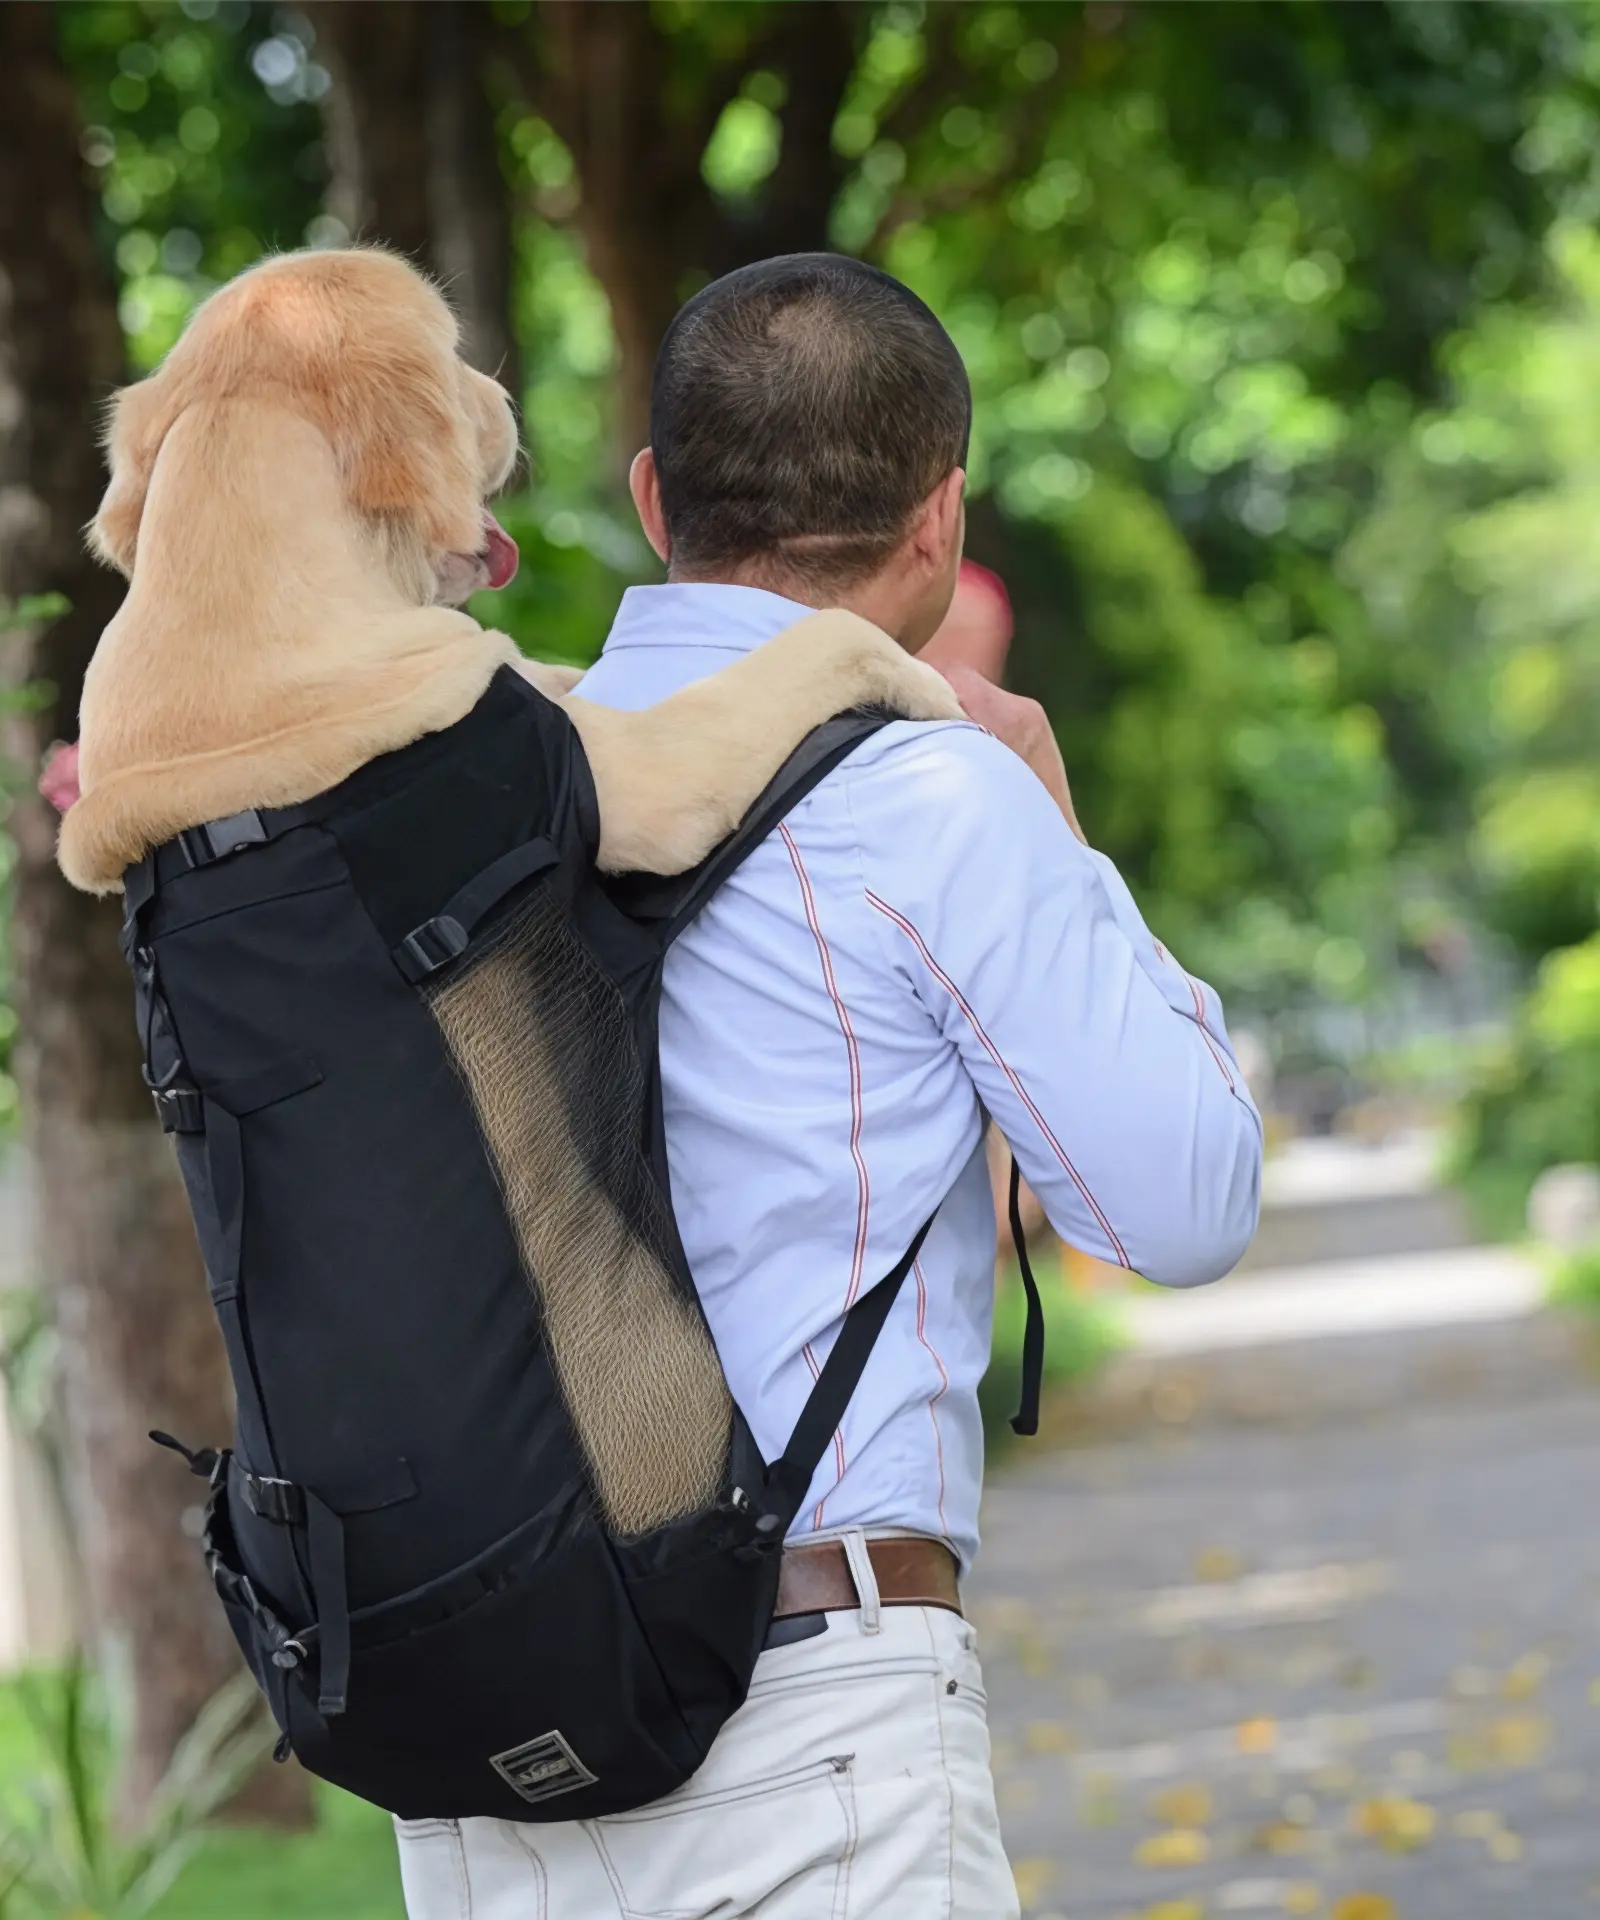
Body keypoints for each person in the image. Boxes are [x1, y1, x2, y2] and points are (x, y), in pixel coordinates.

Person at [406, 251, 1264, 1918]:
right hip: (809, 1714)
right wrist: (1058, 824)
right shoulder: (937, 796)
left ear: (656, 498)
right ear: (939, 523)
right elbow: (1184, 1204)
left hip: (483, 1758)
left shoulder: (475, 776)